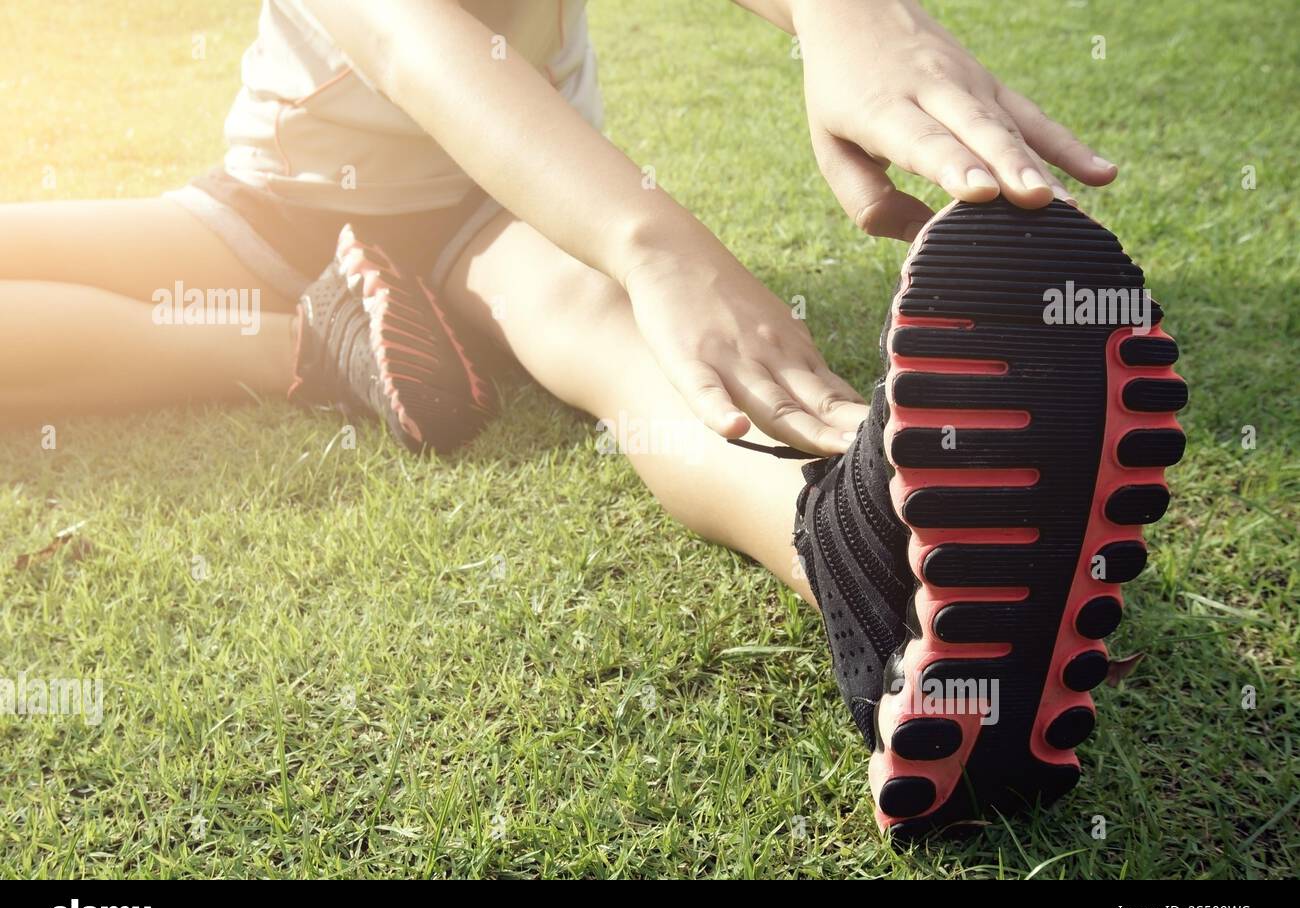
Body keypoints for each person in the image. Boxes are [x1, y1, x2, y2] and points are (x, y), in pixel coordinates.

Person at [0, 0, 1185, 836]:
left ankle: (863, 546)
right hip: (282, 213)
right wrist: (656, 242)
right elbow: (413, 44)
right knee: (616, 314)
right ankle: (313, 343)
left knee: (609, 335)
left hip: (496, 204)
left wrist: (845, 13)